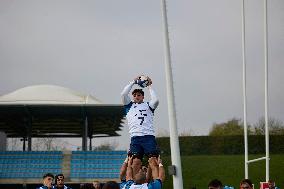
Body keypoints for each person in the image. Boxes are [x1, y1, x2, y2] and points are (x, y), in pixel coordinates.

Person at [121, 75, 160, 175]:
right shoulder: (129, 106)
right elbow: (124, 94)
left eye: (139, 95)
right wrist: (133, 82)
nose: (136, 97)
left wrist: (149, 86)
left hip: (148, 137)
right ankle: (133, 184)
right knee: (135, 163)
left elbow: (155, 100)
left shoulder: (148, 105)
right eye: (134, 95)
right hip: (135, 138)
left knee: (153, 162)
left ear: (143, 96)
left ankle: (156, 183)